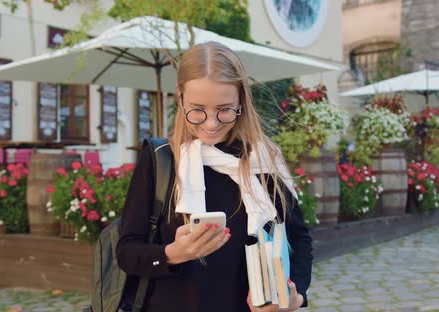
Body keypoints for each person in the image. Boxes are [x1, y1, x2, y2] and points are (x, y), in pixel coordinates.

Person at [116, 41, 312, 312]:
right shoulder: (161, 158)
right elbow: (126, 252)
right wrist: (174, 253)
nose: (211, 123)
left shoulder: (263, 159)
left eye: (224, 109)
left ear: (241, 100)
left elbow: (298, 239)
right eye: (198, 109)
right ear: (180, 98)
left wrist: (295, 296)